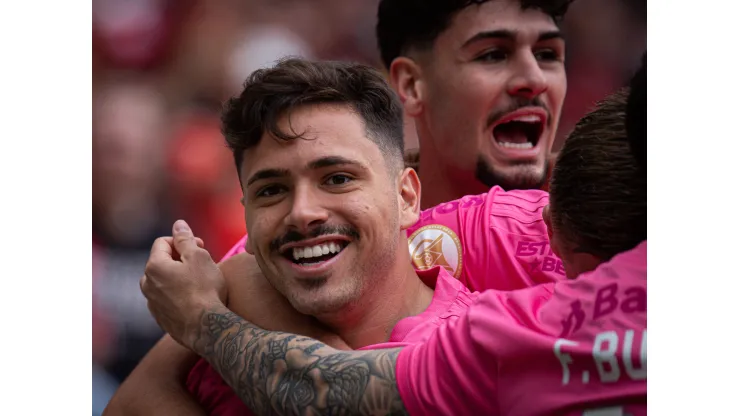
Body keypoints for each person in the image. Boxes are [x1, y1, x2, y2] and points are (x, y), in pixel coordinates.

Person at [140, 58, 648, 415]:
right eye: (271, 190)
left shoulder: (488, 348)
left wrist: (206, 319)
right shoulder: (218, 323)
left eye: (337, 178)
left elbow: (326, 393)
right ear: (245, 212)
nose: (303, 213)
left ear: (408, 197)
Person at [377, 0, 571, 204]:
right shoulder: (361, 228)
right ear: (411, 84)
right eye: (493, 55)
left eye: (546, 55)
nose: (536, 80)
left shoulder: (601, 224)